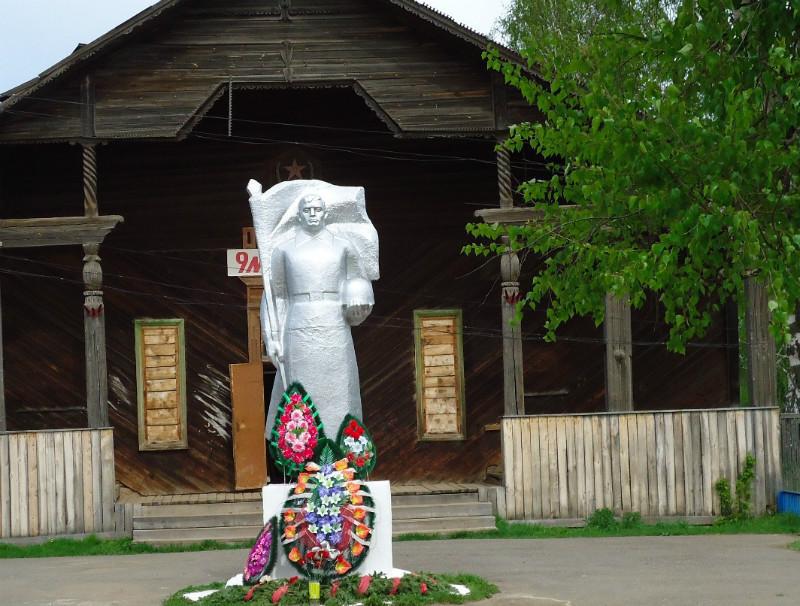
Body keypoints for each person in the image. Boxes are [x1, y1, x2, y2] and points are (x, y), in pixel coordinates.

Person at [249, 183, 378, 437]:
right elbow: (275, 297)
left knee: (340, 387)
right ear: (299, 214)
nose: (313, 214)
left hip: (334, 322)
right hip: (299, 321)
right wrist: (271, 338)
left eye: (318, 209)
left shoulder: (343, 246)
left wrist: (359, 297)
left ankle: (342, 450)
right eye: (307, 209)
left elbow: (359, 277)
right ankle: (300, 451)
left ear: (326, 213)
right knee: (300, 389)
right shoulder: (283, 250)